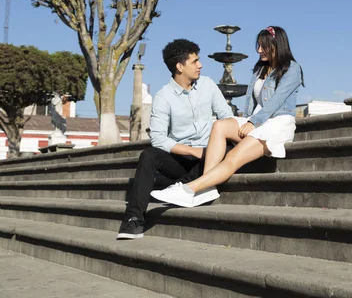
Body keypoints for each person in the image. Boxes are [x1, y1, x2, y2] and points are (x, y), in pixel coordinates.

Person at [150, 26, 303, 207]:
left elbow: (275, 102)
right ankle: (206, 189)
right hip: (256, 121)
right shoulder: (260, 69)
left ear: (277, 45)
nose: (259, 50)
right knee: (220, 125)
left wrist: (253, 123)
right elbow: (252, 104)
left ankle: (188, 189)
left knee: (233, 157)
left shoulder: (292, 69)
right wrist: (245, 121)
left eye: (264, 46)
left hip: (276, 123)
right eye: (259, 46)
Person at [116, 39, 233, 239]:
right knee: (149, 155)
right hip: (183, 158)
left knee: (229, 146)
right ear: (179, 66)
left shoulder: (208, 85)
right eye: (195, 61)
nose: (200, 65)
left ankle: (187, 186)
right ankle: (133, 220)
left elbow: (227, 117)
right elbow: (159, 139)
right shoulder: (163, 97)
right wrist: (191, 150)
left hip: (211, 154)